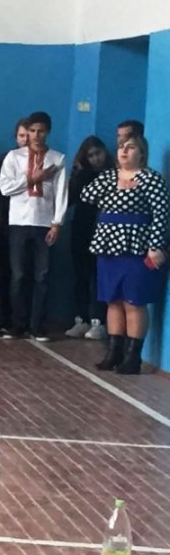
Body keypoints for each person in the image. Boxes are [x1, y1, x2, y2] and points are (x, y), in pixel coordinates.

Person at [81, 133, 170, 375]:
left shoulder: (151, 179)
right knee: (113, 300)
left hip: (137, 248)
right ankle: (113, 352)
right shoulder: (109, 177)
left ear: (141, 153)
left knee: (133, 301)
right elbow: (87, 195)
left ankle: (133, 356)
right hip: (109, 246)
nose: (124, 151)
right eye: (121, 146)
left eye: (130, 147)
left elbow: (161, 215)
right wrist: (115, 181)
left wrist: (155, 246)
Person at [0, 111, 68, 340]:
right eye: (32, 131)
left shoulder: (57, 159)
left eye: (41, 131)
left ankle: (37, 325)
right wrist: (32, 178)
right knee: (18, 275)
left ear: (48, 132)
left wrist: (57, 223)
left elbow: (61, 193)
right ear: (26, 133)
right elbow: (5, 188)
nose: (36, 135)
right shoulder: (14, 157)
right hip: (19, 222)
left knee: (42, 276)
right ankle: (17, 324)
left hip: (44, 223)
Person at [66, 136, 111, 340]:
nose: (95, 159)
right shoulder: (83, 175)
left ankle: (98, 321)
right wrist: (77, 176)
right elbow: (70, 199)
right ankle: (81, 319)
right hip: (82, 229)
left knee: (98, 276)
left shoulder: (113, 175)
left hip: (104, 230)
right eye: (90, 156)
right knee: (80, 275)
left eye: (98, 153)